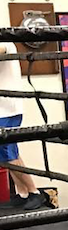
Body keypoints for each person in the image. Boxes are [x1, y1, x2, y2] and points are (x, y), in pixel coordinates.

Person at [0, 43, 42, 211]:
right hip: (2, 108)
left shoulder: (5, 41)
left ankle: (34, 191)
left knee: (6, 150)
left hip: (8, 109)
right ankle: (23, 193)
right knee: (7, 152)